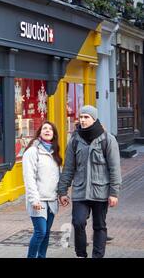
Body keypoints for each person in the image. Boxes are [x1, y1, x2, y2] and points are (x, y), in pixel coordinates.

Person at [57, 105, 122, 258]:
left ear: (94, 119)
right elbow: (68, 168)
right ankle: (81, 254)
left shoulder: (107, 139)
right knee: (78, 222)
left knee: (99, 226)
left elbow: (115, 168)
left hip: (100, 191)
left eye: (86, 117)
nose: (83, 120)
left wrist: (114, 192)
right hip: (80, 191)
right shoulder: (74, 140)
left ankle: (97, 256)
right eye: (81, 117)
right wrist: (62, 191)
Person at [22, 121, 62, 258]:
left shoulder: (54, 153)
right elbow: (29, 178)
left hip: (51, 200)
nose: (47, 130)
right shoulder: (32, 151)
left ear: (54, 135)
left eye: (50, 129)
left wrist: (61, 195)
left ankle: (42, 256)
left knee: (47, 233)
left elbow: (57, 178)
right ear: (39, 132)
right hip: (38, 200)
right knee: (40, 232)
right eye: (44, 128)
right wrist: (34, 199)